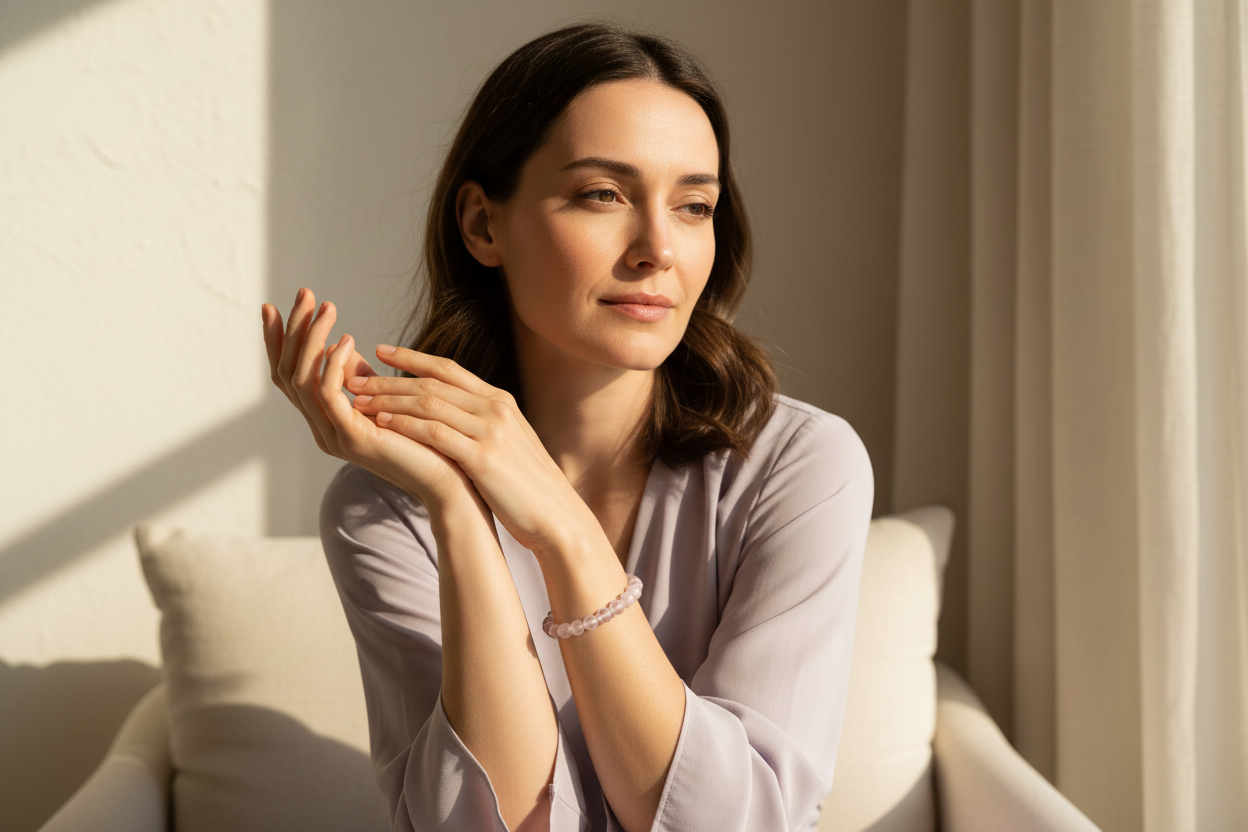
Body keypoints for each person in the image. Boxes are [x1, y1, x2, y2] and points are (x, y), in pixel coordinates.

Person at [260, 21, 872, 832]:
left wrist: (560, 529)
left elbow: (740, 822)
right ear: (482, 225)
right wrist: (455, 504)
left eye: (695, 205)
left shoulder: (801, 466)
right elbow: (483, 824)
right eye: (603, 195)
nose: (659, 248)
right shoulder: (387, 508)